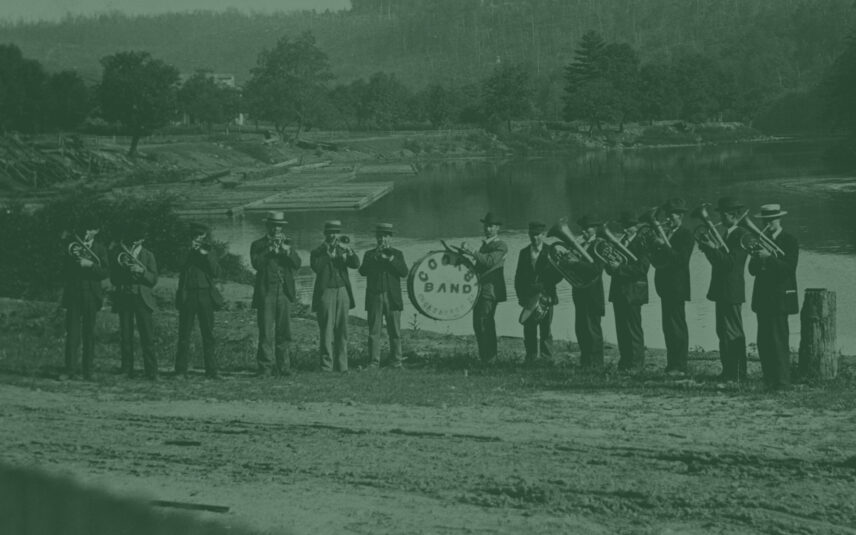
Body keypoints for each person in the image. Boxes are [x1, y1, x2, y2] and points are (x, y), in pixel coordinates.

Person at [697, 196, 749, 382]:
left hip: (732, 290)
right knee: (723, 331)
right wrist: (709, 249)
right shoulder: (727, 234)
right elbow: (718, 264)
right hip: (722, 290)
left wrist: (712, 248)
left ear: (732, 215)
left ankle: (738, 373)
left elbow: (730, 264)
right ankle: (728, 371)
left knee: (733, 332)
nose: (719, 219)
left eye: (723, 215)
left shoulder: (742, 235)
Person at [747, 204, 799, 390]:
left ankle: (783, 382)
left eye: (772, 219)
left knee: (778, 340)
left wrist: (769, 257)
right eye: (765, 220)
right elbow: (752, 271)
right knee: (764, 341)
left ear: (779, 219)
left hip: (780, 298)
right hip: (763, 298)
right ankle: (769, 380)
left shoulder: (790, 240)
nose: (768, 223)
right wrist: (755, 256)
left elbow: (788, 270)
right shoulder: (761, 240)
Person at [250, 211, 302, 377]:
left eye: (279, 226)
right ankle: (265, 367)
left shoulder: (288, 243)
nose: (277, 229)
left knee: (284, 332)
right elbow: (257, 264)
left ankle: (284, 367)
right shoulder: (258, 245)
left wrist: (287, 252)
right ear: (268, 226)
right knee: (266, 331)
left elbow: (297, 264)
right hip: (266, 292)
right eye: (274, 225)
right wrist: (269, 250)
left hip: (284, 292)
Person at [649, 198, 695, 375]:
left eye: (672, 215)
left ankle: (680, 366)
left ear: (681, 216)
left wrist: (663, 246)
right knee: (668, 327)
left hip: (678, 287)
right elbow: (658, 261)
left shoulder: (685, 234)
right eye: (667, 215)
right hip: (665, 287)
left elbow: (681, 260)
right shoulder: (666, 233)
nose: (668, 219)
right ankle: (672, 364)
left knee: (677, 327)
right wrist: (655, 246)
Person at [61, 215, 110, 380]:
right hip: (74, 293)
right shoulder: (71, 245)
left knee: (89, 333)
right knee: (72, 333)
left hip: (91, 294)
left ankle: (88, 371)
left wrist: (91, 265)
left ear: (96, 231)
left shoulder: (100, 248)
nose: (86, 232)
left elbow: (105, 272)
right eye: (85, 229)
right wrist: (72, 260)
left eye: (90, 229)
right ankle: (70, 370)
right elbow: (64, 269)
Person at [110, 224, 158, 380]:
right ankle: (126, 369)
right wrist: (124, 270)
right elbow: (113, 278)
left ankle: (151, 371)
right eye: (132, 241)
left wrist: (141, 271)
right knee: (125, 335)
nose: (132, 244)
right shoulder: (120, 253)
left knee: (147, 336)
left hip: (142, 299)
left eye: (136, 241)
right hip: (125, 296)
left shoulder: (148, 255)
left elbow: (153, 279)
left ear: (142, 240)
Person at [175, 223, 223, 379]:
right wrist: (191, 251)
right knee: (184, 334)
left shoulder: (209, 250)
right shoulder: (183, 250)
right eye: (197, 237)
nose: (200, 241)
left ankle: (212, 370)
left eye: (202, 237)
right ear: (191, 237)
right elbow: (179, 265)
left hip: (205, 295)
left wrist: (206, 255)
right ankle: (181, 370)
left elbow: (216, 272)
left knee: (208, 334)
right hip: (188, 294)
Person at [358, 223, 409, 369]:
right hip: (375, 296)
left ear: (390, 238)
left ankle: (397, 361)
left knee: (395, 331)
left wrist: (390, 259)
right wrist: (375, 257)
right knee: (374, 331)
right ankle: (374, 362)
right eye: (380, 236)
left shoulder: (397, 254)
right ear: (376, 237)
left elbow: (404, 272)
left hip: (392, 297)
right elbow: (362, 272)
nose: (382, 239)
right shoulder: (369, 254)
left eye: (385, 236)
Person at [311, 220, 359, 372]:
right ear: (325, 234)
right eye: (330, 233)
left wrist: (349, 252)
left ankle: (342, 365)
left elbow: (356, 264)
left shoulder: (342, 249)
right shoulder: (317, 251)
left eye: (335, 233)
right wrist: (328, 255)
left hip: (343, 291)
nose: (333, 235)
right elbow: (317, 267)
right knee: (326, 329)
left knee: (342, 329)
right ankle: (326, 366)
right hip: (326, 292)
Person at [605, 211, 650, 372]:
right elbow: (611, 270)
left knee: (633, 329)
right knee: (621, 328)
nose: (625, 229)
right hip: (619, 292)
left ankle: (637, 365)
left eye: (629, 226)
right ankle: (625, 362)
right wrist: (609, 264)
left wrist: (620, 268)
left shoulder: (642, 242)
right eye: (624, 226)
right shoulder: (621, 242)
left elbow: (642, 268)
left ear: (635, 227)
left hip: (633, 292)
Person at [461, 212, 507, 364]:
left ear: (497, 228)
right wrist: (466, 257)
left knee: (485, 323)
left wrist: (473, 252)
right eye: (486, 226)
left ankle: (490, 359)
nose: (487, 229)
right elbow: (479, 266)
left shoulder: (501, 245)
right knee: (478, 324)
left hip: (490, 291)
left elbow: (489, 262)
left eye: (491, 226)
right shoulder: (485, 245)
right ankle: (485, 358)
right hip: (480, 290)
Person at [513, 221, 558, 365]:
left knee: (546, 329)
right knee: (529, 329)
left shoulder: (552, 250)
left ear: (543, 235)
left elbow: (558, 275)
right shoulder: (524, 252)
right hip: (529, 296)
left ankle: (547, 359)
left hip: (547, 295)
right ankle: (531, 357)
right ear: (528, 234)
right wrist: (521, 297)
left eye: (538, 235)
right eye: (532, 234)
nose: (535, 238)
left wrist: (544, 286)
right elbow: (518, 277)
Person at [573, 215, 606, 368]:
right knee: (580, 328)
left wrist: (576, 263)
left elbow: (597, 269)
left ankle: (596, 364)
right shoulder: (581, 245)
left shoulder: (600, 245)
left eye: (587, 229)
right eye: (583, 229)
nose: (584, 232)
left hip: (593, 293)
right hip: (580, 292)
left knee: (592, 328)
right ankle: (585, 361)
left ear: (595, 229)